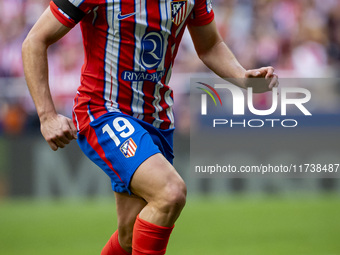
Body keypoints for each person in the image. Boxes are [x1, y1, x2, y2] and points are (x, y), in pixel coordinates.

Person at [22, 0, 278, 254]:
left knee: (129, 236)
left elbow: (210, 45)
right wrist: (47, 115)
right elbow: (34, 41)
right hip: (104, 110)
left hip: (158, 119)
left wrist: (242, 77)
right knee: (170, 193)